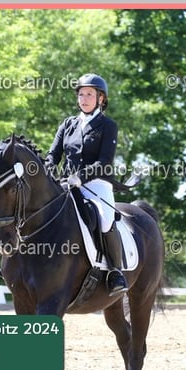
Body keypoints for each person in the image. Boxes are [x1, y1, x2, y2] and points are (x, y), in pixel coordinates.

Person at [45, 73, 128, 296]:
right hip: (65, 185)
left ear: (101, 98)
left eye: (89, 94)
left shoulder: (108, 126)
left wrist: (81, 176)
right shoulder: (68, 124)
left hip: (96, 185)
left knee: (105, 219)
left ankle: (115, 272)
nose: (84, 99)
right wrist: (48, 171)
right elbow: (53, 155)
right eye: (81, 94)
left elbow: (104, 162)